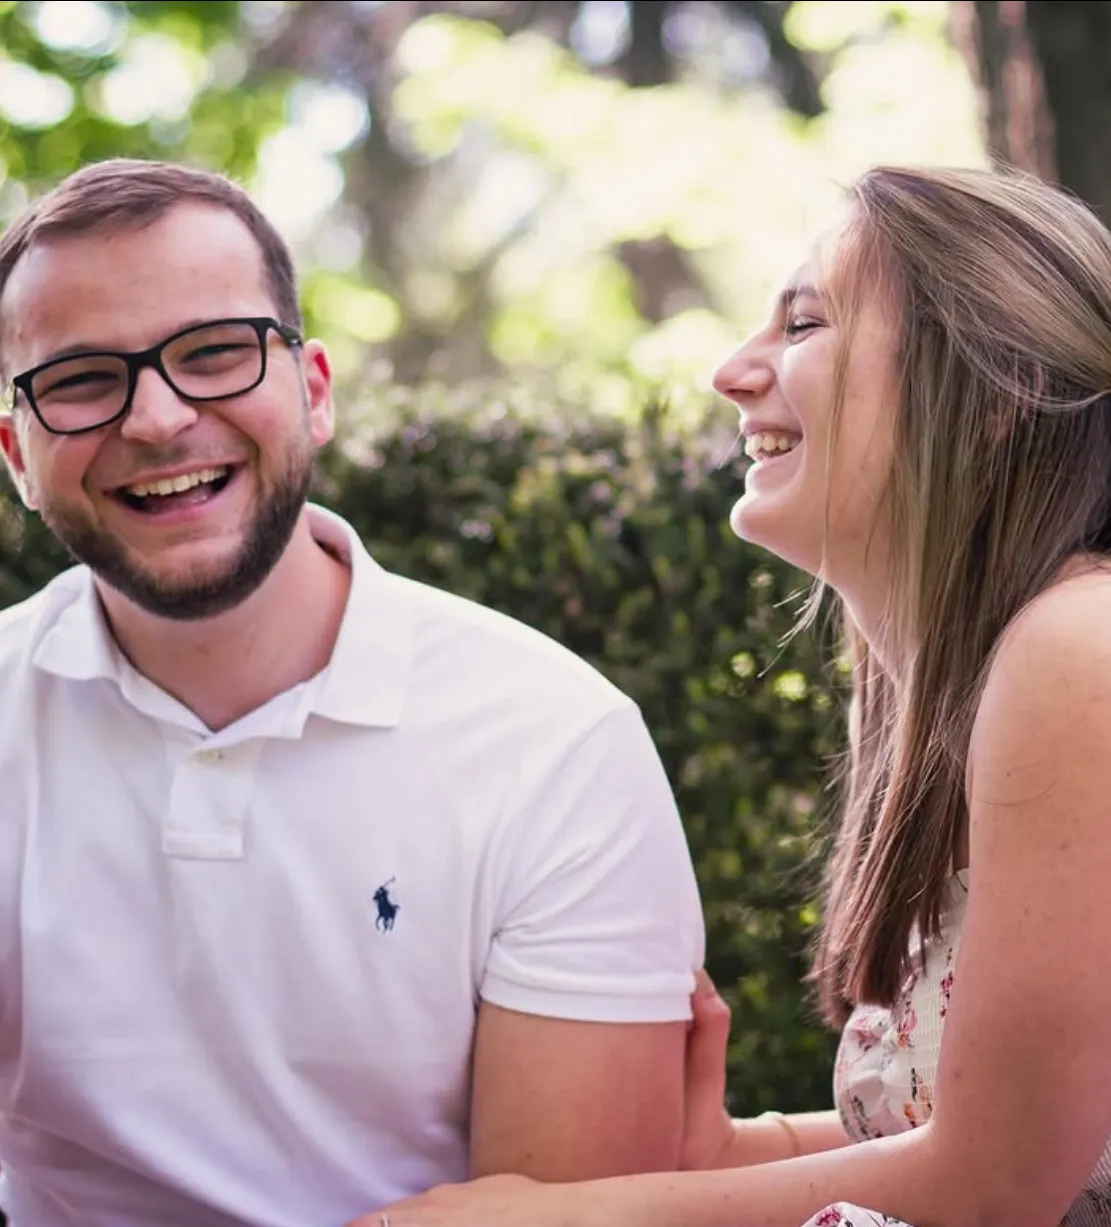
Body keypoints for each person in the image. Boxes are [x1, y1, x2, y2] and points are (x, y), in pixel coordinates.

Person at [365, 163, 1111, 1227]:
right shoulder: (983, 680)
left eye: (803, 325)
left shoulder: (1081, 646)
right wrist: (736, 1149)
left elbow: (998, 1184)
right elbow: (1022, 1133)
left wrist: (545, 1218)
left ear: (1000, 390)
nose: (731, 370)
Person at [0, 158, 707, 1227]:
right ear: (15, 451)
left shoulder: (554, 741)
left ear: (314, 392)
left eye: (213, 353)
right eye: (82, 379)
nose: (155, 417)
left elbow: (563, 1217)